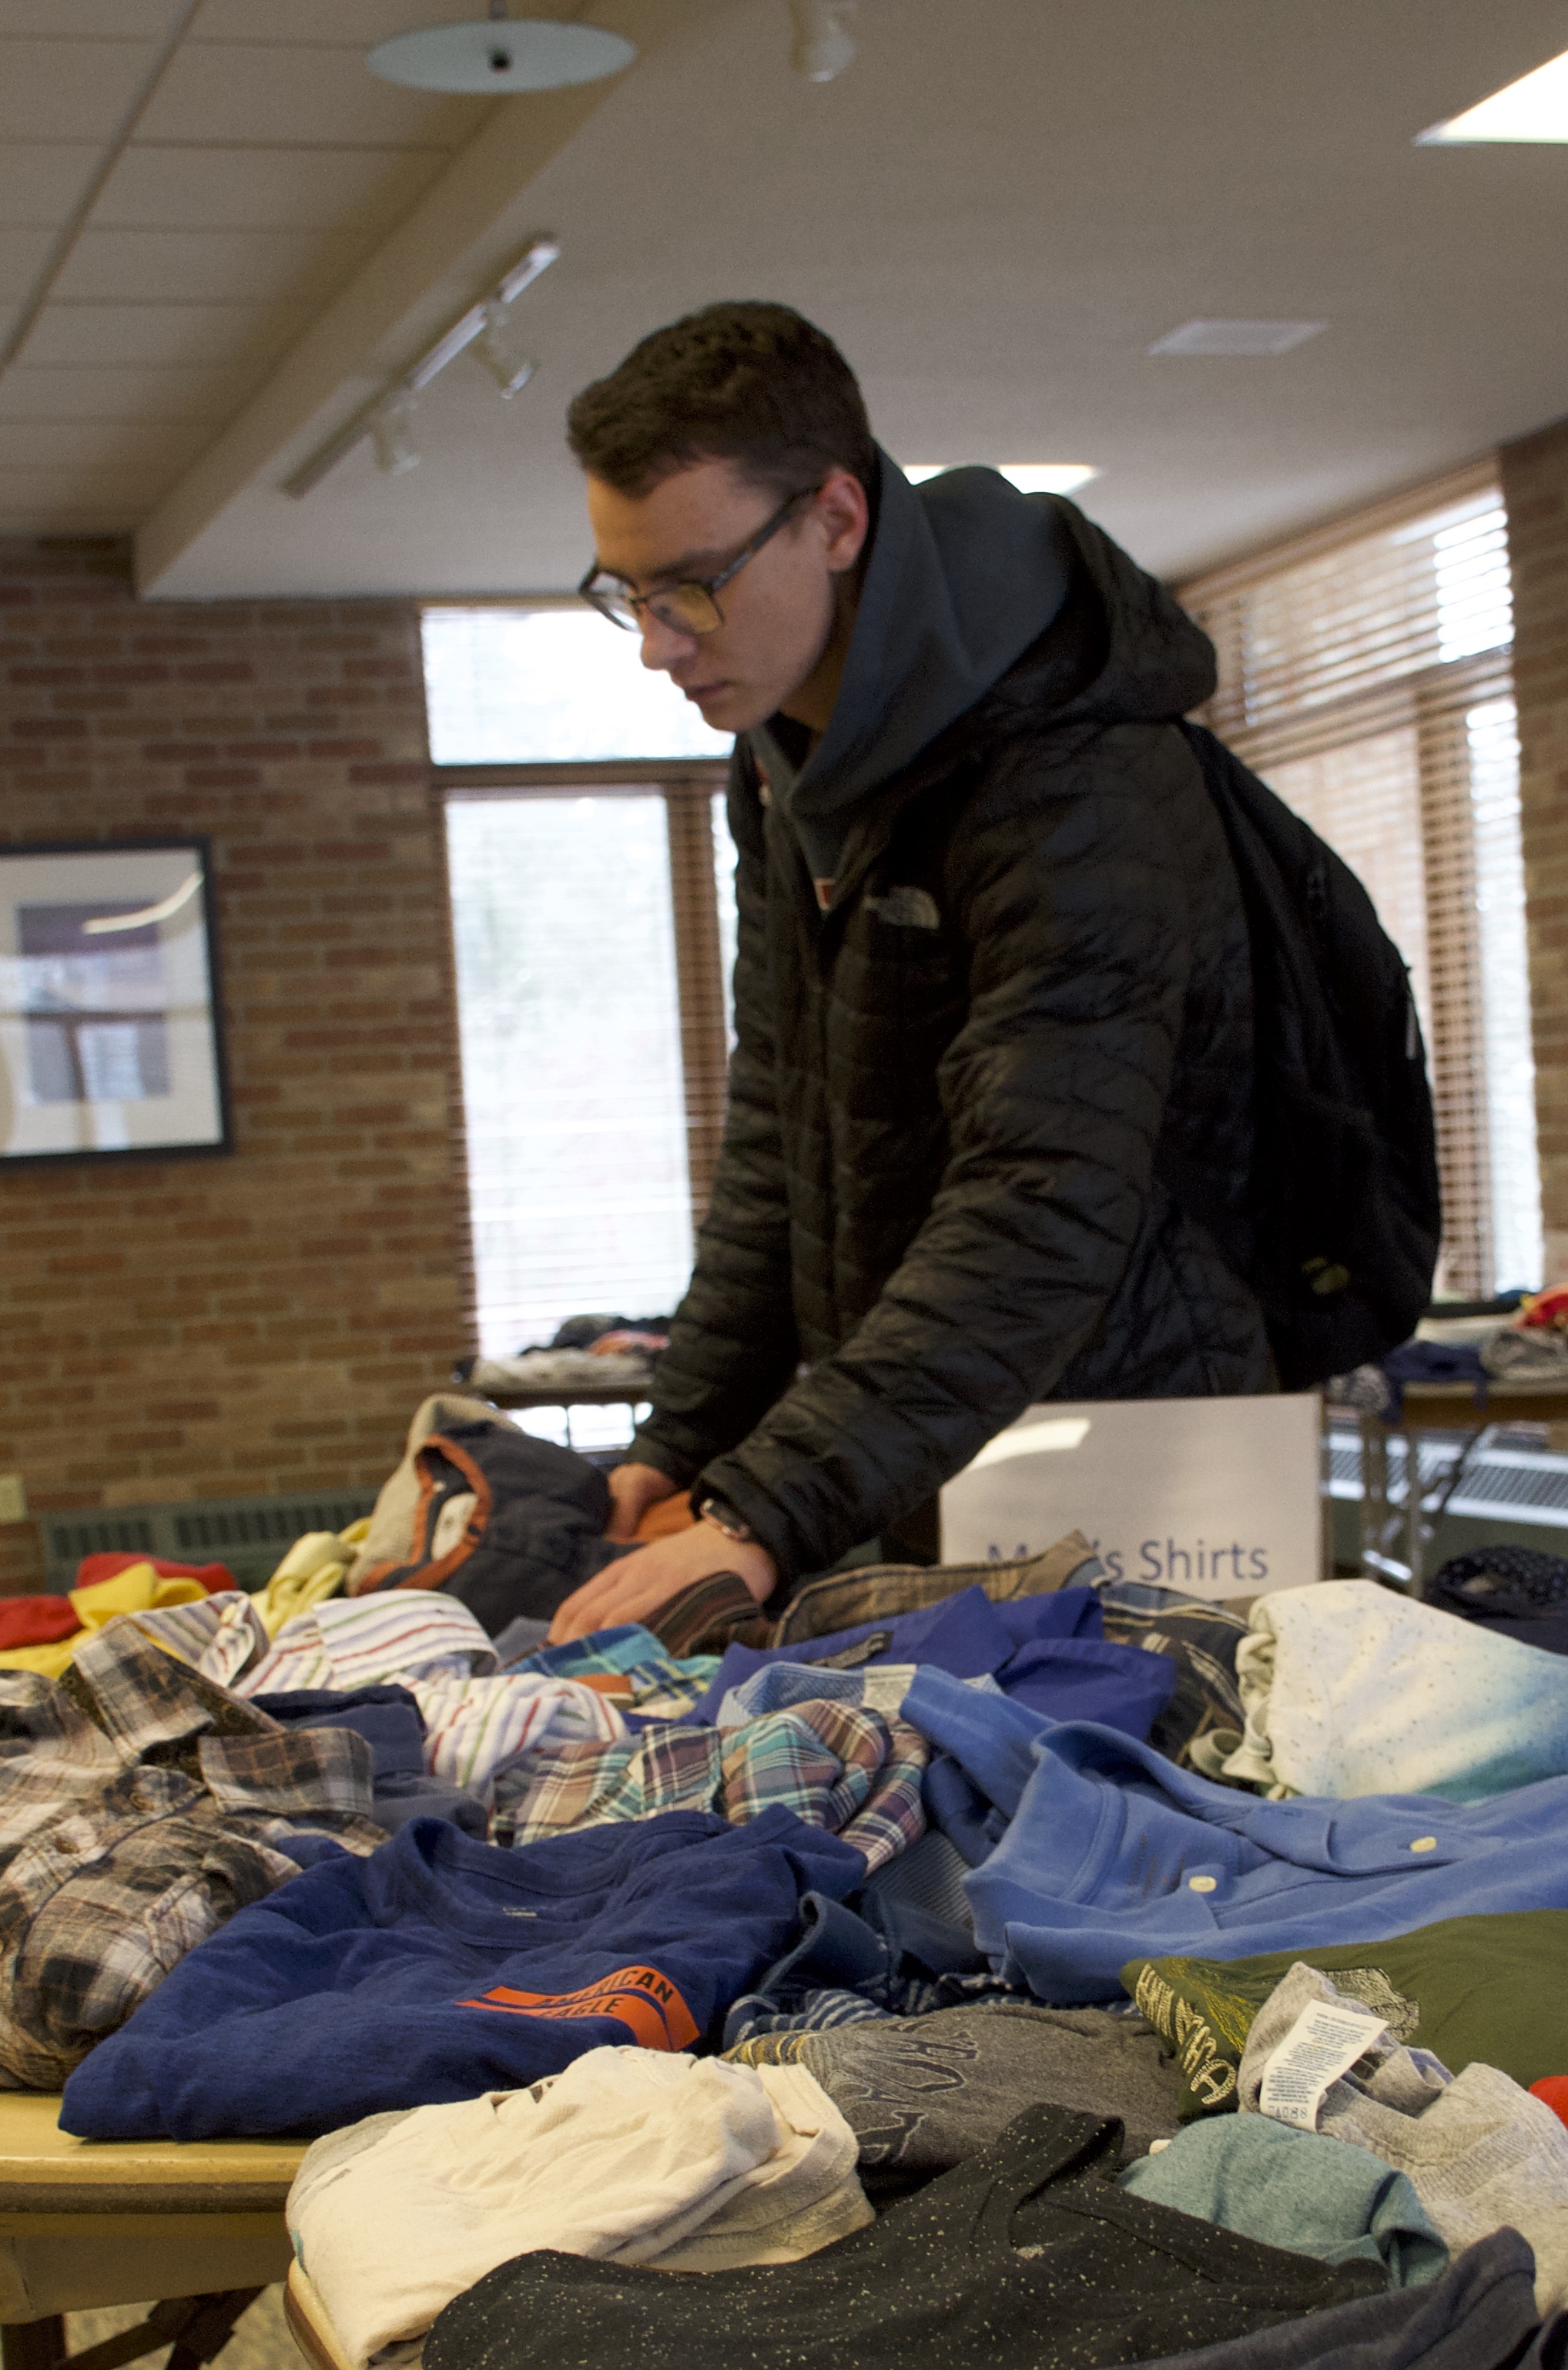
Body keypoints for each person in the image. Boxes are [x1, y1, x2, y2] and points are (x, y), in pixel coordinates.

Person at [541, 301, 1266, 1642]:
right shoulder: (781, 764)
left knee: (1120, 1828)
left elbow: (1044, 1195)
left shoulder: (1073, 771)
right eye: (628, 594)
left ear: (837, 519)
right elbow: (784, 1135)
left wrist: (764, 1507)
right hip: (923, 1437)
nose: (657, 642)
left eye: (691, 584)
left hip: (1126, 1452)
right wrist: (689, 1437)